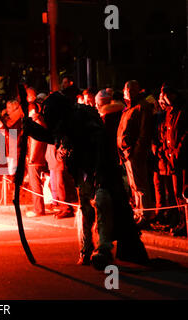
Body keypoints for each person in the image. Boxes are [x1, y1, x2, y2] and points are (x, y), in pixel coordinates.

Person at [24, 92, 149, 270]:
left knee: (104, 204)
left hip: (101, 168)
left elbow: (99, 141)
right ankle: (86, 249)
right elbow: (53, 136)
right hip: (83, 172)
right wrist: (32, 129)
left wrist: (100, 172)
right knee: (85, 209)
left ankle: (104, 249)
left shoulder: (80, 118)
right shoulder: (64, 122)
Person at [117, 80, 155, 227]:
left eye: (132, 90)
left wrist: (137, 151)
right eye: (127, 90)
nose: (129, 93)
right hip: (127, 153)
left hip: (134, 153)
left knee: (140, 184)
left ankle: (145, 214)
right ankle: (139, 213)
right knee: (134, 185)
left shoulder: (142, 107)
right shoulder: (128, 108)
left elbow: (144, 132)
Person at [155, 84, 187, 236]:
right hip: (171, 159)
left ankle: (185, 223)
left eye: (166, 94)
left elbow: (184, 134)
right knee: (176, 192)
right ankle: (181, 221)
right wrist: (166, 151)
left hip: (182, 158)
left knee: (184, 192)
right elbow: (165, 133)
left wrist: (177, 151)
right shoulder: (168, 113)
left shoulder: (182, 111)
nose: (164, 98)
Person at [26, 89, 48, 218]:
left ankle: (38, 209)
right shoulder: (38, 122)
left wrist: (32, 158)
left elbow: (36, 142)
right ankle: (38, 208)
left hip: (35, 159)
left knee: (35, 185)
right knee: (35, 184)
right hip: (37, 158)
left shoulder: (37, 123)